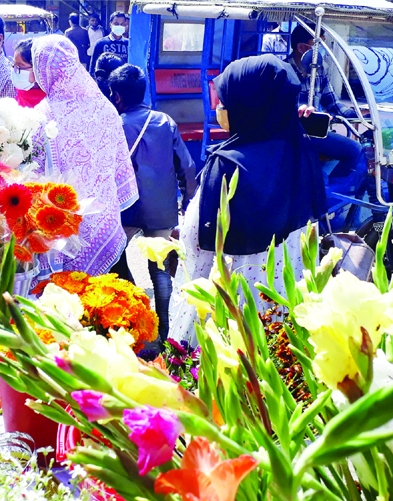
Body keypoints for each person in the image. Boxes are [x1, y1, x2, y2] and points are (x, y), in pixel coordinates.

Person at [169, 55, 326, 342]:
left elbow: (197, 243)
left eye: (225, 100)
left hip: (226, 324)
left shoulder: (227, 165)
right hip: (282, 318)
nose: (219, 107)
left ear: (249, 105)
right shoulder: (300, 152)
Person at [31, 35, 138, 276]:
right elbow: (117, 164)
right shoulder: (106, 109)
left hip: (61, 224)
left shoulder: (41, 116)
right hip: (105, 220)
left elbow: (34, 175)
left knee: (70, 300)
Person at [107, 64, 197, 343]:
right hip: (162, 208)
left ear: (117, 96)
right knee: (159, 268)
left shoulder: (114, 124)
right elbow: (188, 166)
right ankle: (165, 331)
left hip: (127, 208)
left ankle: (138, 316)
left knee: (114, 259)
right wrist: (187, 203)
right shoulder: (165, 121)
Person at [290, 26, 362, 179]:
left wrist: (359, 116)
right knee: (354, 149)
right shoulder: (283, 71)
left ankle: (331, 194)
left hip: (316, 134)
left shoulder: (318, 72)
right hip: (291, 134)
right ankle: (331, 198)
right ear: (302, 48)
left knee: (360, 150)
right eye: (319, 46)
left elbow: (333, 103)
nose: (323, 50)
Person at [12, 39, 46, 108]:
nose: (15, 71)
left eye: (21, 67)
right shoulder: (18, 95)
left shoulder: (49, 103)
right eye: (14, 66)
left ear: (38, 69)